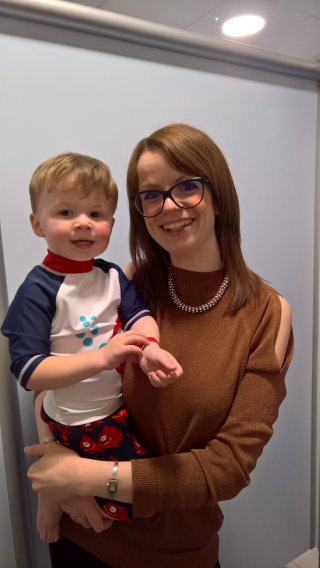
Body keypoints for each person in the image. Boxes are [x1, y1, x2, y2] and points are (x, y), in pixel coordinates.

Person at [25, 123, 293, 568]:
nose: (170, 207)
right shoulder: (123, 284)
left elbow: (229, 467)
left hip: (178, 554)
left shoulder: (268, 313)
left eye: (187, 186)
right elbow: (53, 380)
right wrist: (59, 474)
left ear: (219, 196)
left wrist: (83, 475)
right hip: (84, 535)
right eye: (151, 195)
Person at [1, 152, 183, 544]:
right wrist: (102, 357)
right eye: (66, 212)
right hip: (70, 422)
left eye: (96, 215)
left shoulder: (112, 276)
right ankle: (52, 496)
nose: (84, 223)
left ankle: (59, 491)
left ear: (111, 225)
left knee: (127, 499)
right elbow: (29, 371)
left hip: (113, 411)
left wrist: (149, 348)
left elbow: (139, 317)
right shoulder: (38, 289)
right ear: (37, 224)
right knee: (119, 509)